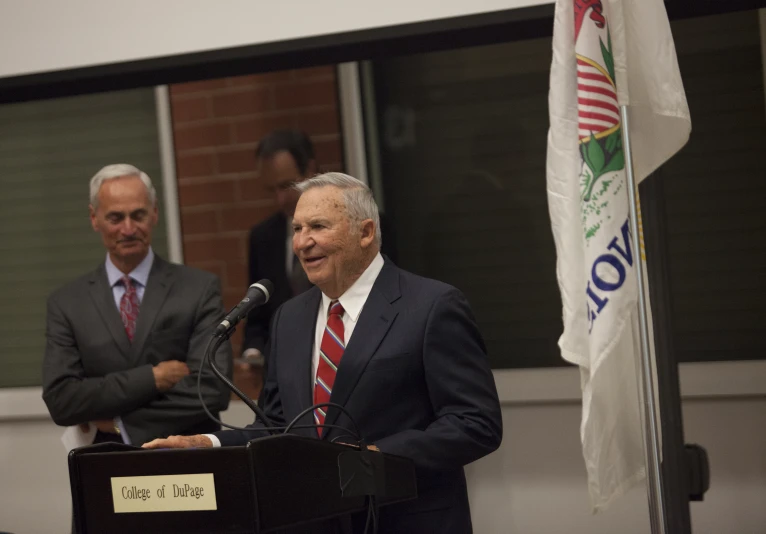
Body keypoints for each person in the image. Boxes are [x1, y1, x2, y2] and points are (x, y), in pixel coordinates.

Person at [144, 172, 502, 533]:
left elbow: (475, 423)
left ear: (365, 233)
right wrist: (207, 443)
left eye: (317, 226)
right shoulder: (289, 318)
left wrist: (376, 459)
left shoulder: (431, 306)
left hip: (407, 520)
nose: (302, 242)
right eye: (296, 229)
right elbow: (277, 427)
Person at [42, 164, 232, 447]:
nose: (128, 229)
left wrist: (121, 424)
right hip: (105, 464)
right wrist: (152, 378)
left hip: (188, 460)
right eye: (115, 218)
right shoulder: (68, 304)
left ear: (154, 213)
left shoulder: (198, 289)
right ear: (95, 218)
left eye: (138, 215)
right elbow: (62, 400)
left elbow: (212, 389)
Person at [242, 130, 317, 366]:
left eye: (287, 186)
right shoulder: (263, 237)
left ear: (310, 171)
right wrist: (253, 351)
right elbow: (257, 316)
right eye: (271, 190)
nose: (280, 199)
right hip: (285, 370)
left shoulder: (352, 226)